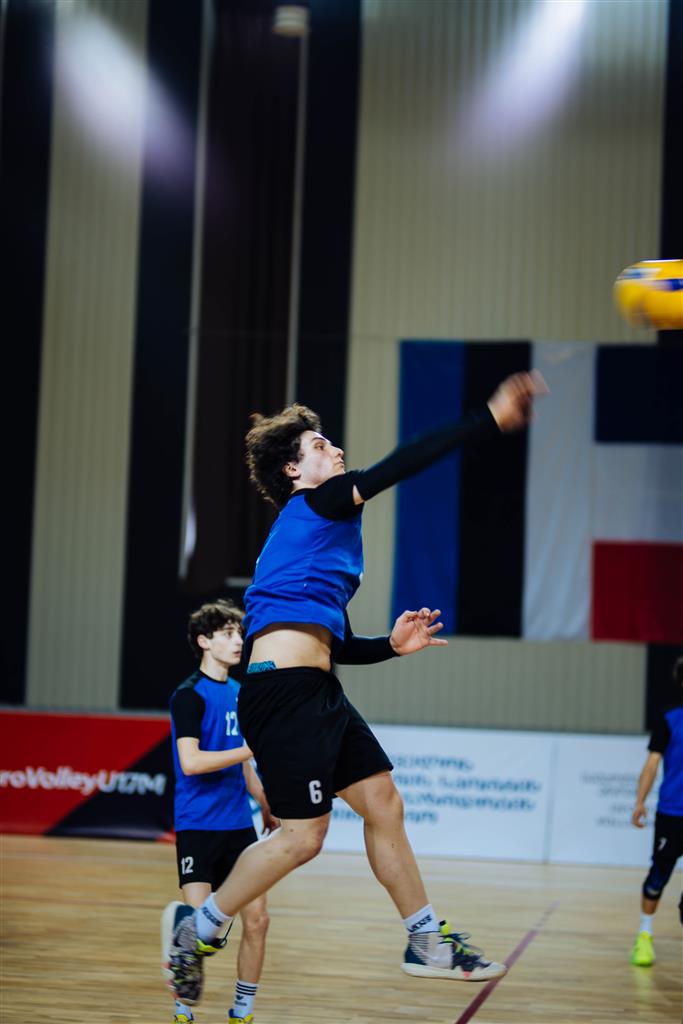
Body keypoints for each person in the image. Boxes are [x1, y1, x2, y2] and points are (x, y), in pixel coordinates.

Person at [164, 370, 547, 1007]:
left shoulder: (317, 540)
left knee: (384, 803)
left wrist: (390, 647)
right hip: (283, 694)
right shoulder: (319, 504)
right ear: (294, 470)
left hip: (317, 691)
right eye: (319, 446)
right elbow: (402, 463)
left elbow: (334, 642)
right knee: (303, 837)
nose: (335, 450)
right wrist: (488, 417)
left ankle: (424, 940)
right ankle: (198, 929)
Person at [161, 599, 278, 1024]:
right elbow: (191, 762)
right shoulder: (188, 696)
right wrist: (249, 748)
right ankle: (183, 1010)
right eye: (228, 634)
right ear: (204, 641)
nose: (238, 641)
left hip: (239, 829)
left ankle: (242, 1013)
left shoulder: (241, 692)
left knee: (258, 921)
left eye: (239, 633)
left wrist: (263, 801)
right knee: (200, 932)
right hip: (198, 826)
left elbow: (243, 763)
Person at [629, 654, 683, 967]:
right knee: (658, 877)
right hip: (673, 814)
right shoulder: (670, 718)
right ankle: (644, 935)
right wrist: (640, 801)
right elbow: (652, 763)